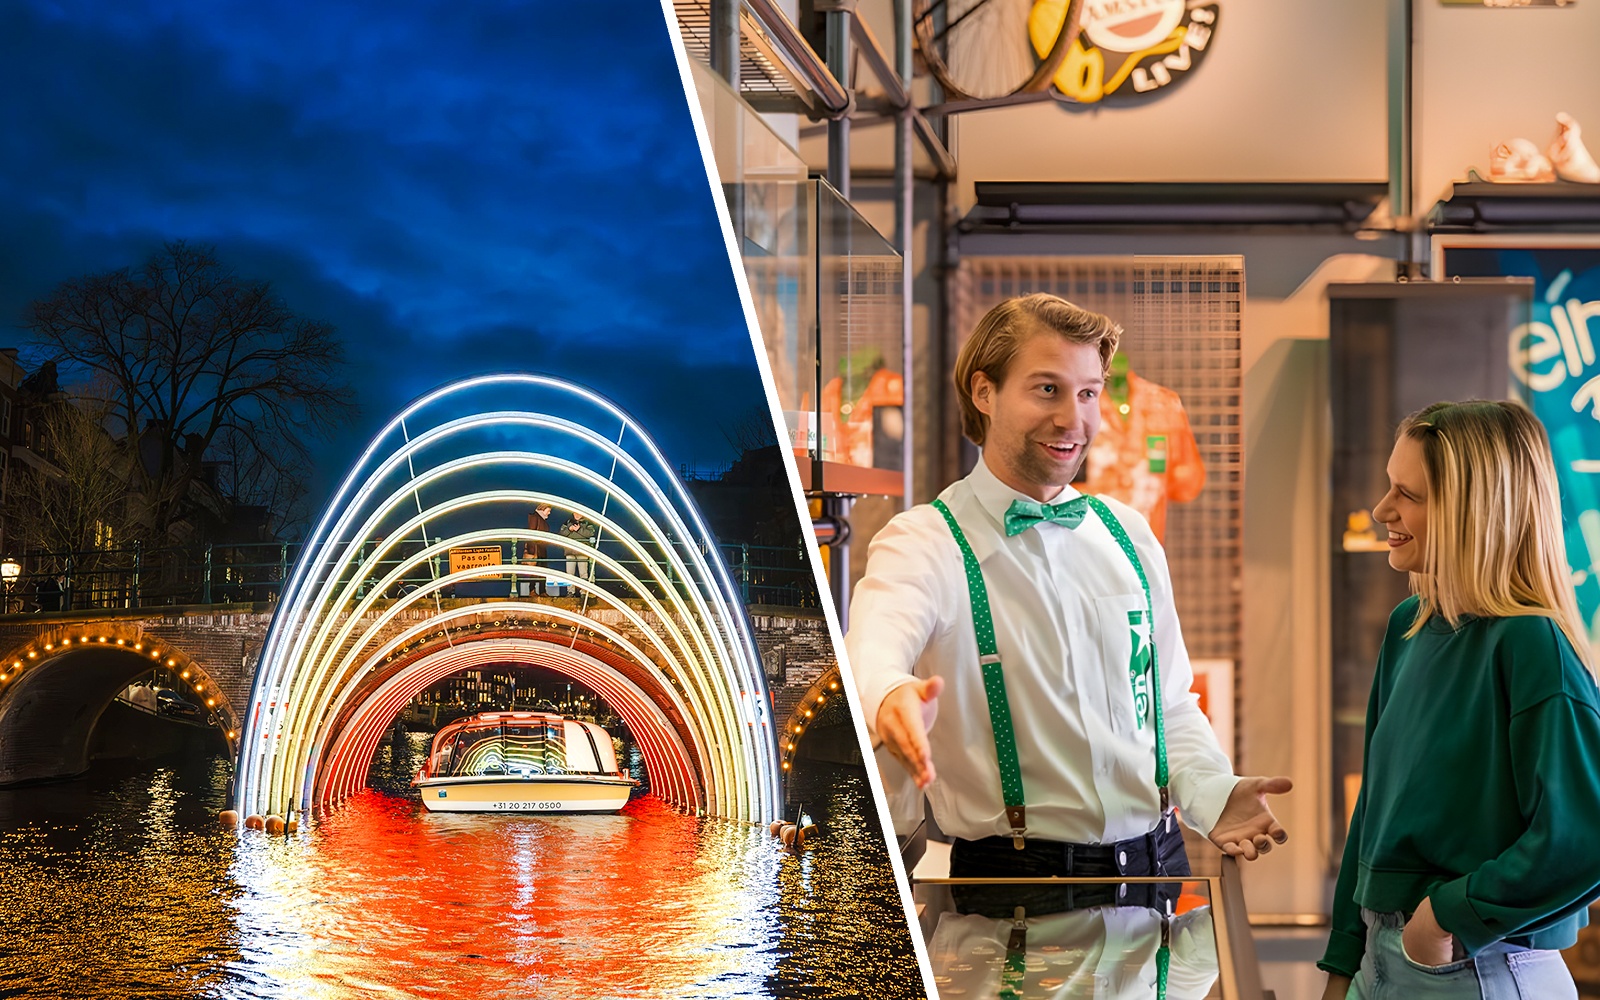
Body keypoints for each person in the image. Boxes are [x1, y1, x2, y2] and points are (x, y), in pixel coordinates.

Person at [848, 293, 1290, 881]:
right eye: (1047, 389)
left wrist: (1214, 793)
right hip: (1014, 894)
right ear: (984, 393)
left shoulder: (1129, 534)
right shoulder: (924, 540)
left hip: (1158, 873)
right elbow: (871, 650)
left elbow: (1170, 705)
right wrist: (888, 695)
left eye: (1087, 394)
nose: (1072, 420)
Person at [1319, 400, 1600, 1000]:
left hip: (1476, 970)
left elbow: (1585, 833)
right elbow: (1372, 815)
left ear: (1475, 510)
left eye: (1408, 494)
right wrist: (1343, 963)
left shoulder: (1529, 643)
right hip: (1380, 965)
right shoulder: (1408, 626)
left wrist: (1451, 913)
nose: (1382, 509)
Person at [559, 510, 599, 593]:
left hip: (582, 551)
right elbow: (561, 534)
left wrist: (579, 529)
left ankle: (584, 591)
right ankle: (570, 591)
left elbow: (591, 533)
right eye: (575, 513)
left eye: (579, 513)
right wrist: (569, 529)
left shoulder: (587, 523)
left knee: (583, 573)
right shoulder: (567, 522)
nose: (577, 515)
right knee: (569, 573)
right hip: (569, 551)